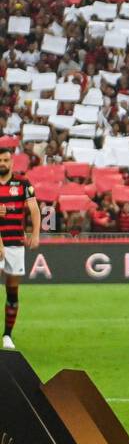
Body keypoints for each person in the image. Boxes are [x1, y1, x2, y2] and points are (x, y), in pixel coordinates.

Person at [0, 146, 38, 350]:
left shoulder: (22, 183)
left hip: (15, 243)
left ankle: (7, 335)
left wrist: (36, 234)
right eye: (0, 161)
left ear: (11, 162)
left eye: (6, 160)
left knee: (12, 290)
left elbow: (34, 209)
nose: (3, 164)